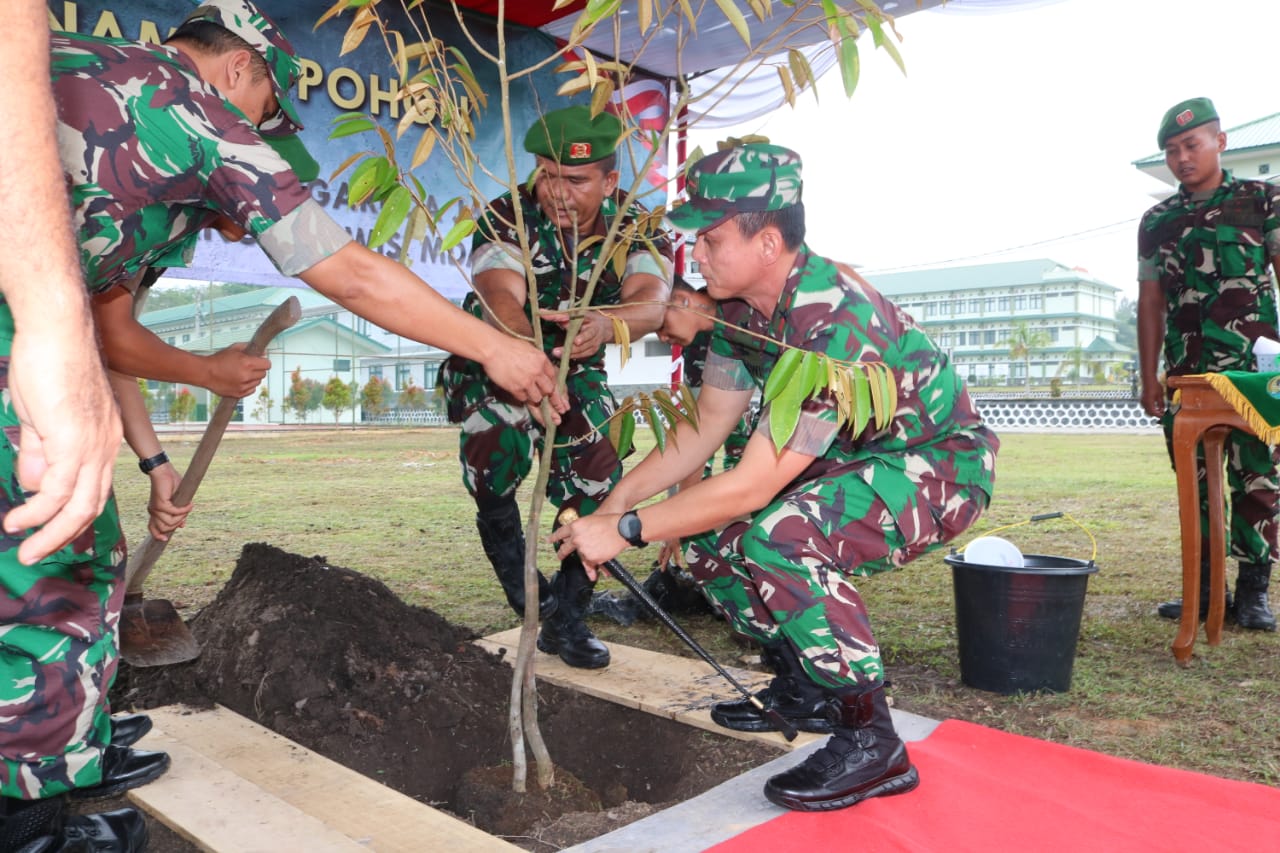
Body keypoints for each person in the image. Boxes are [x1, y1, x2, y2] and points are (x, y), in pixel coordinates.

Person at [552, 142, 998, 812]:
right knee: (705, 539)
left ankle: (871, 739)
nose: (694, 255)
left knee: (779, 536)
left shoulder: (835, 319)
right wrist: (612, 505)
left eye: (708, 238)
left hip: (941, 465)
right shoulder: (741, 313)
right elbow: (705, 427)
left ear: (767, 239)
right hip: (856, 459)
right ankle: (805, 684)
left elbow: (754, 485)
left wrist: (628, 529)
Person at [51, 0, 567, 546]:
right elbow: (353, 276)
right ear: (237, 69)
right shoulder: (209, 122)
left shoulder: (75, 58)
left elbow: (103, 330)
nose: (255, 130)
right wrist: (495, 348)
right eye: (265, 108)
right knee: (68, 572)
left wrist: (155, 461)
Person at [442, 105, 673, 668]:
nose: (557, 192)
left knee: (597, 466)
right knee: (496, 446)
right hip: (498, 355)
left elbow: (651, 298)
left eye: (575, 179)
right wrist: (527, 361)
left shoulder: (637, 224)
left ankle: (567, 618)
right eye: (546, 174)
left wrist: (609, 322)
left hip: (580, 360)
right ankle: (522, 588)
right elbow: (500, 296)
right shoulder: (508, 214)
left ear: (610, 180)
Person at [0, 2, 148, 850]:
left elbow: (108, 345)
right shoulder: (172, 142)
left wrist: (154, 457)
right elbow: (105, 333)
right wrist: (54, 317)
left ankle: (66, 743)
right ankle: (33, 812)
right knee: (55, 564)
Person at [1137, 97, 1280, 632]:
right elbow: (1151, 300)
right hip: (1188, 375)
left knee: (1257, 480)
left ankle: (1253, 594)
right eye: (1172, 151)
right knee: (1194, 483)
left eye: (1191, 145)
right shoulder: (1157, 220)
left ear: (1220, 141)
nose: (1181, 158)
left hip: (1253, 374)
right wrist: (1150, 372)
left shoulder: (1263, 200)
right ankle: (1202, 590)